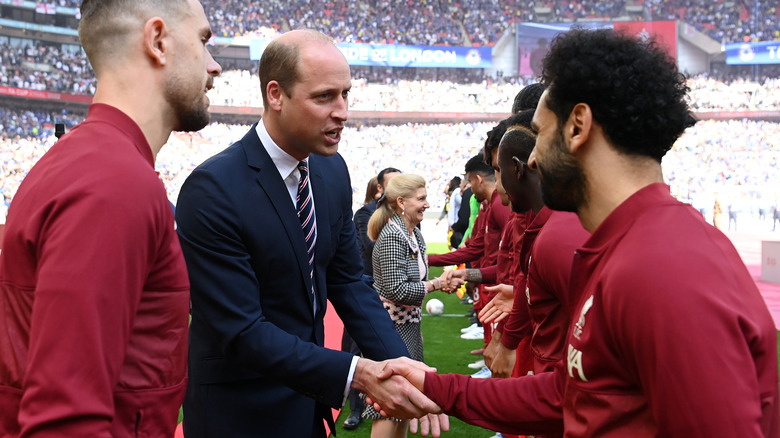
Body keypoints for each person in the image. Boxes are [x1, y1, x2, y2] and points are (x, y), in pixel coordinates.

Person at [375, 28, 779, 436]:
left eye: (541, 133)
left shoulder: (663, 266)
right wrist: (435, 387)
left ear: (578, 127)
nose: (531, 159)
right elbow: (571, 396)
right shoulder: (623, 245)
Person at [175, 29, 440, 438]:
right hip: (238, 414)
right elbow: (243, 330)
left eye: (346, 94)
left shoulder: (332, 171)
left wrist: (403, 367)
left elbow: (349, 281)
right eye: (324, 97)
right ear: (276, 95)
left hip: (309, 407)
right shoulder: (213, 190)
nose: (342, 112)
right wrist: (357, 372)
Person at [0, 0, 222, 436]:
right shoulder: (114, 182)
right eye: (203, 41)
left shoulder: (87, 162)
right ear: (158, 41)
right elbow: (65, 421)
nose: (214, 66)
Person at [363, 174, 456, 437]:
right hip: (391, 329)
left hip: (407, 327)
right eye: (422, 198)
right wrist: (434, 285)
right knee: (388, 405)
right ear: (401, 202)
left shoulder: (413, 233)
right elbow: (396, 289)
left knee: (404, 404)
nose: (427, 204)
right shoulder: (394, 234)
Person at [343, 169, 400, 431]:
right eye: (393, 183)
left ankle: (388, 403)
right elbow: (370, 246)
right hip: (366, 292)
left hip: (396, 301)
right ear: (380, 188)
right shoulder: (365, 214)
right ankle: (355, 410)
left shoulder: (403, 216)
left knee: (391, 351)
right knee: (356, 351)